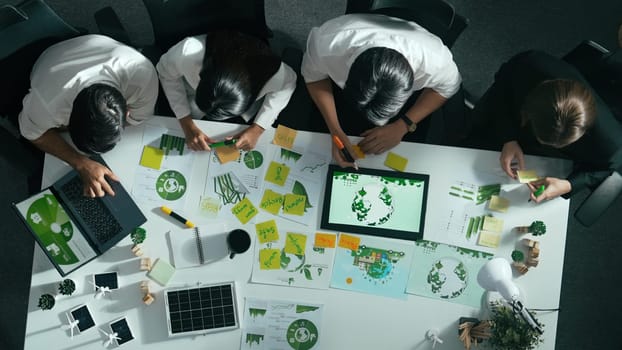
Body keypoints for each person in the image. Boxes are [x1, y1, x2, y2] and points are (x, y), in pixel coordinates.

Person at [301, 13, 462, 167]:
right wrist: (335, 130)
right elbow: (314, 78)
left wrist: (403, 125)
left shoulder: (435, 62)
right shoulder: (326, 43)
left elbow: (447, 89)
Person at [467, 50, 622, 202]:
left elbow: (606, 169)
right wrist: (509, 138)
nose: (540, 142)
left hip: (554, 160)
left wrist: (568, 185)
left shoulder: (611, 145)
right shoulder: (529, 65)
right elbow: (502, 87)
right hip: (513, 119)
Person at [18, 34, 159, 197]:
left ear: (126, 111)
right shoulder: (48, 105)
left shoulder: (144, 77)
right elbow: (33, 134)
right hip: (51, 59)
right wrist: (81, 163)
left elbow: (139, 119)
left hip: (96, 48)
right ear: (65, 123)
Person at [156, 30, 297, 151]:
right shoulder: (187, 53)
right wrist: (186, 123)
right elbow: (165, 72)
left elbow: (288, 85)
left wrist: (258, 128)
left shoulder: (275, 75)